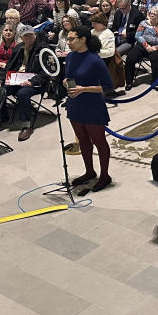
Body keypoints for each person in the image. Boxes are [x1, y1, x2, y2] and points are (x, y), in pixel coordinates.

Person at [62, 25, 114, 194]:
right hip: (75, 104)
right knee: (83, 140)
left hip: (92, 106)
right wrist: (66, 83)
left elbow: (108, 86)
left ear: (83, 40)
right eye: (67, 39)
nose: (68, 42)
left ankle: (104, 175)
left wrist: (83, 89)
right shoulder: (70, 56)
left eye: (71, 39)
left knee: (99, 141)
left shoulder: (94, 60)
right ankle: (89, 171)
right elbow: (68, 76)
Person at [126, 7, 158, 91]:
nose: (151, 15)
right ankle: (129, 81)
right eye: (150, 13)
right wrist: (146, 45)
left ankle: (156, 81)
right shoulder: (143, 23)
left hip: (157, 47)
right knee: (130, 58)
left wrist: (155, 47)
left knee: (156, 59)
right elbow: (138, 35)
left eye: (154, 14)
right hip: (142, 46)